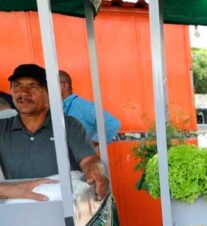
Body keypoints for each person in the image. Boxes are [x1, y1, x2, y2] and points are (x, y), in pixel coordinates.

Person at [0, 64, 108, 199]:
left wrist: (96, 172)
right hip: (18, 210)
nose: (23, 92)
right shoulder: (2, 129)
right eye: (17, 86)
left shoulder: (68, 125)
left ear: (49, 92)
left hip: (65, 208)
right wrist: (10, 190)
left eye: (33, 86)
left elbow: (89, 160)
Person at [59, 70, 121, 144]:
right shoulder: (57, 107)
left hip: (81, 155)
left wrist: (92, 143)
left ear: (64, 86)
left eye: (50, 85)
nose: (47, 89)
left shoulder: (83, 106)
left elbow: (113, 123)